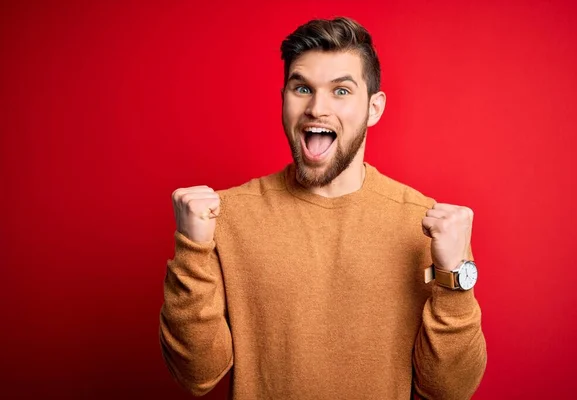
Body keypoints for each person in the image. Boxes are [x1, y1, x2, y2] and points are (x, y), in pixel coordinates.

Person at [159, 16, 487, 400]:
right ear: (284, 98)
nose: (317, 108)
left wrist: (454, 281)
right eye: (302, 88)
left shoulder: (424, 224)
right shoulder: (226, 216)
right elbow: (196, 375)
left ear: (374, 108)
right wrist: (192, 252)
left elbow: (451, 389)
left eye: (341, 91)